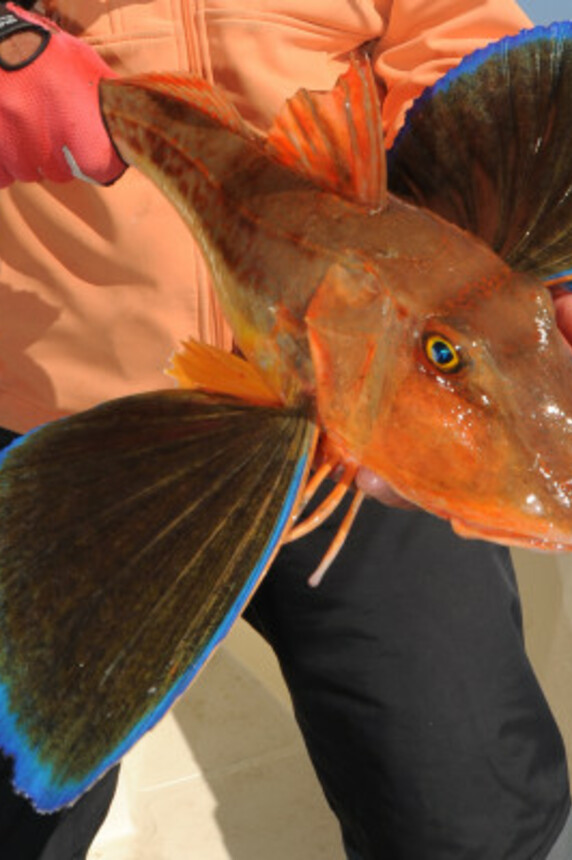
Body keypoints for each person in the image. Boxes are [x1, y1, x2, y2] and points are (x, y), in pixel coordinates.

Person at [0, 2, 570, 859]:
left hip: (369, 381)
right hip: (80, 401)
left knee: (467, 816)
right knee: (19, 812)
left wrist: (541, 242)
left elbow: (447, 23)